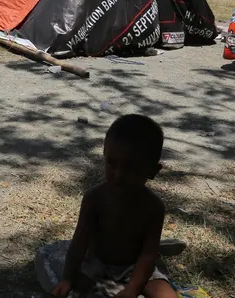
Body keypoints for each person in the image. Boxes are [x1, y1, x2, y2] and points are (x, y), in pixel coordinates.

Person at [51, 115, 176, 298]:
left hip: (133, 267)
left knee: (168, 296)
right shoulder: (94, 198)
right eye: (111, 163)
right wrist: (67, 279)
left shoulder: (153, 208)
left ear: (152, 171)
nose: (118, 174)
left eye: (130, 168)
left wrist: (132, 289)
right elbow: (79, 243)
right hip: (95, 263)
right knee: (74, 289)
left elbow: (148, 255)